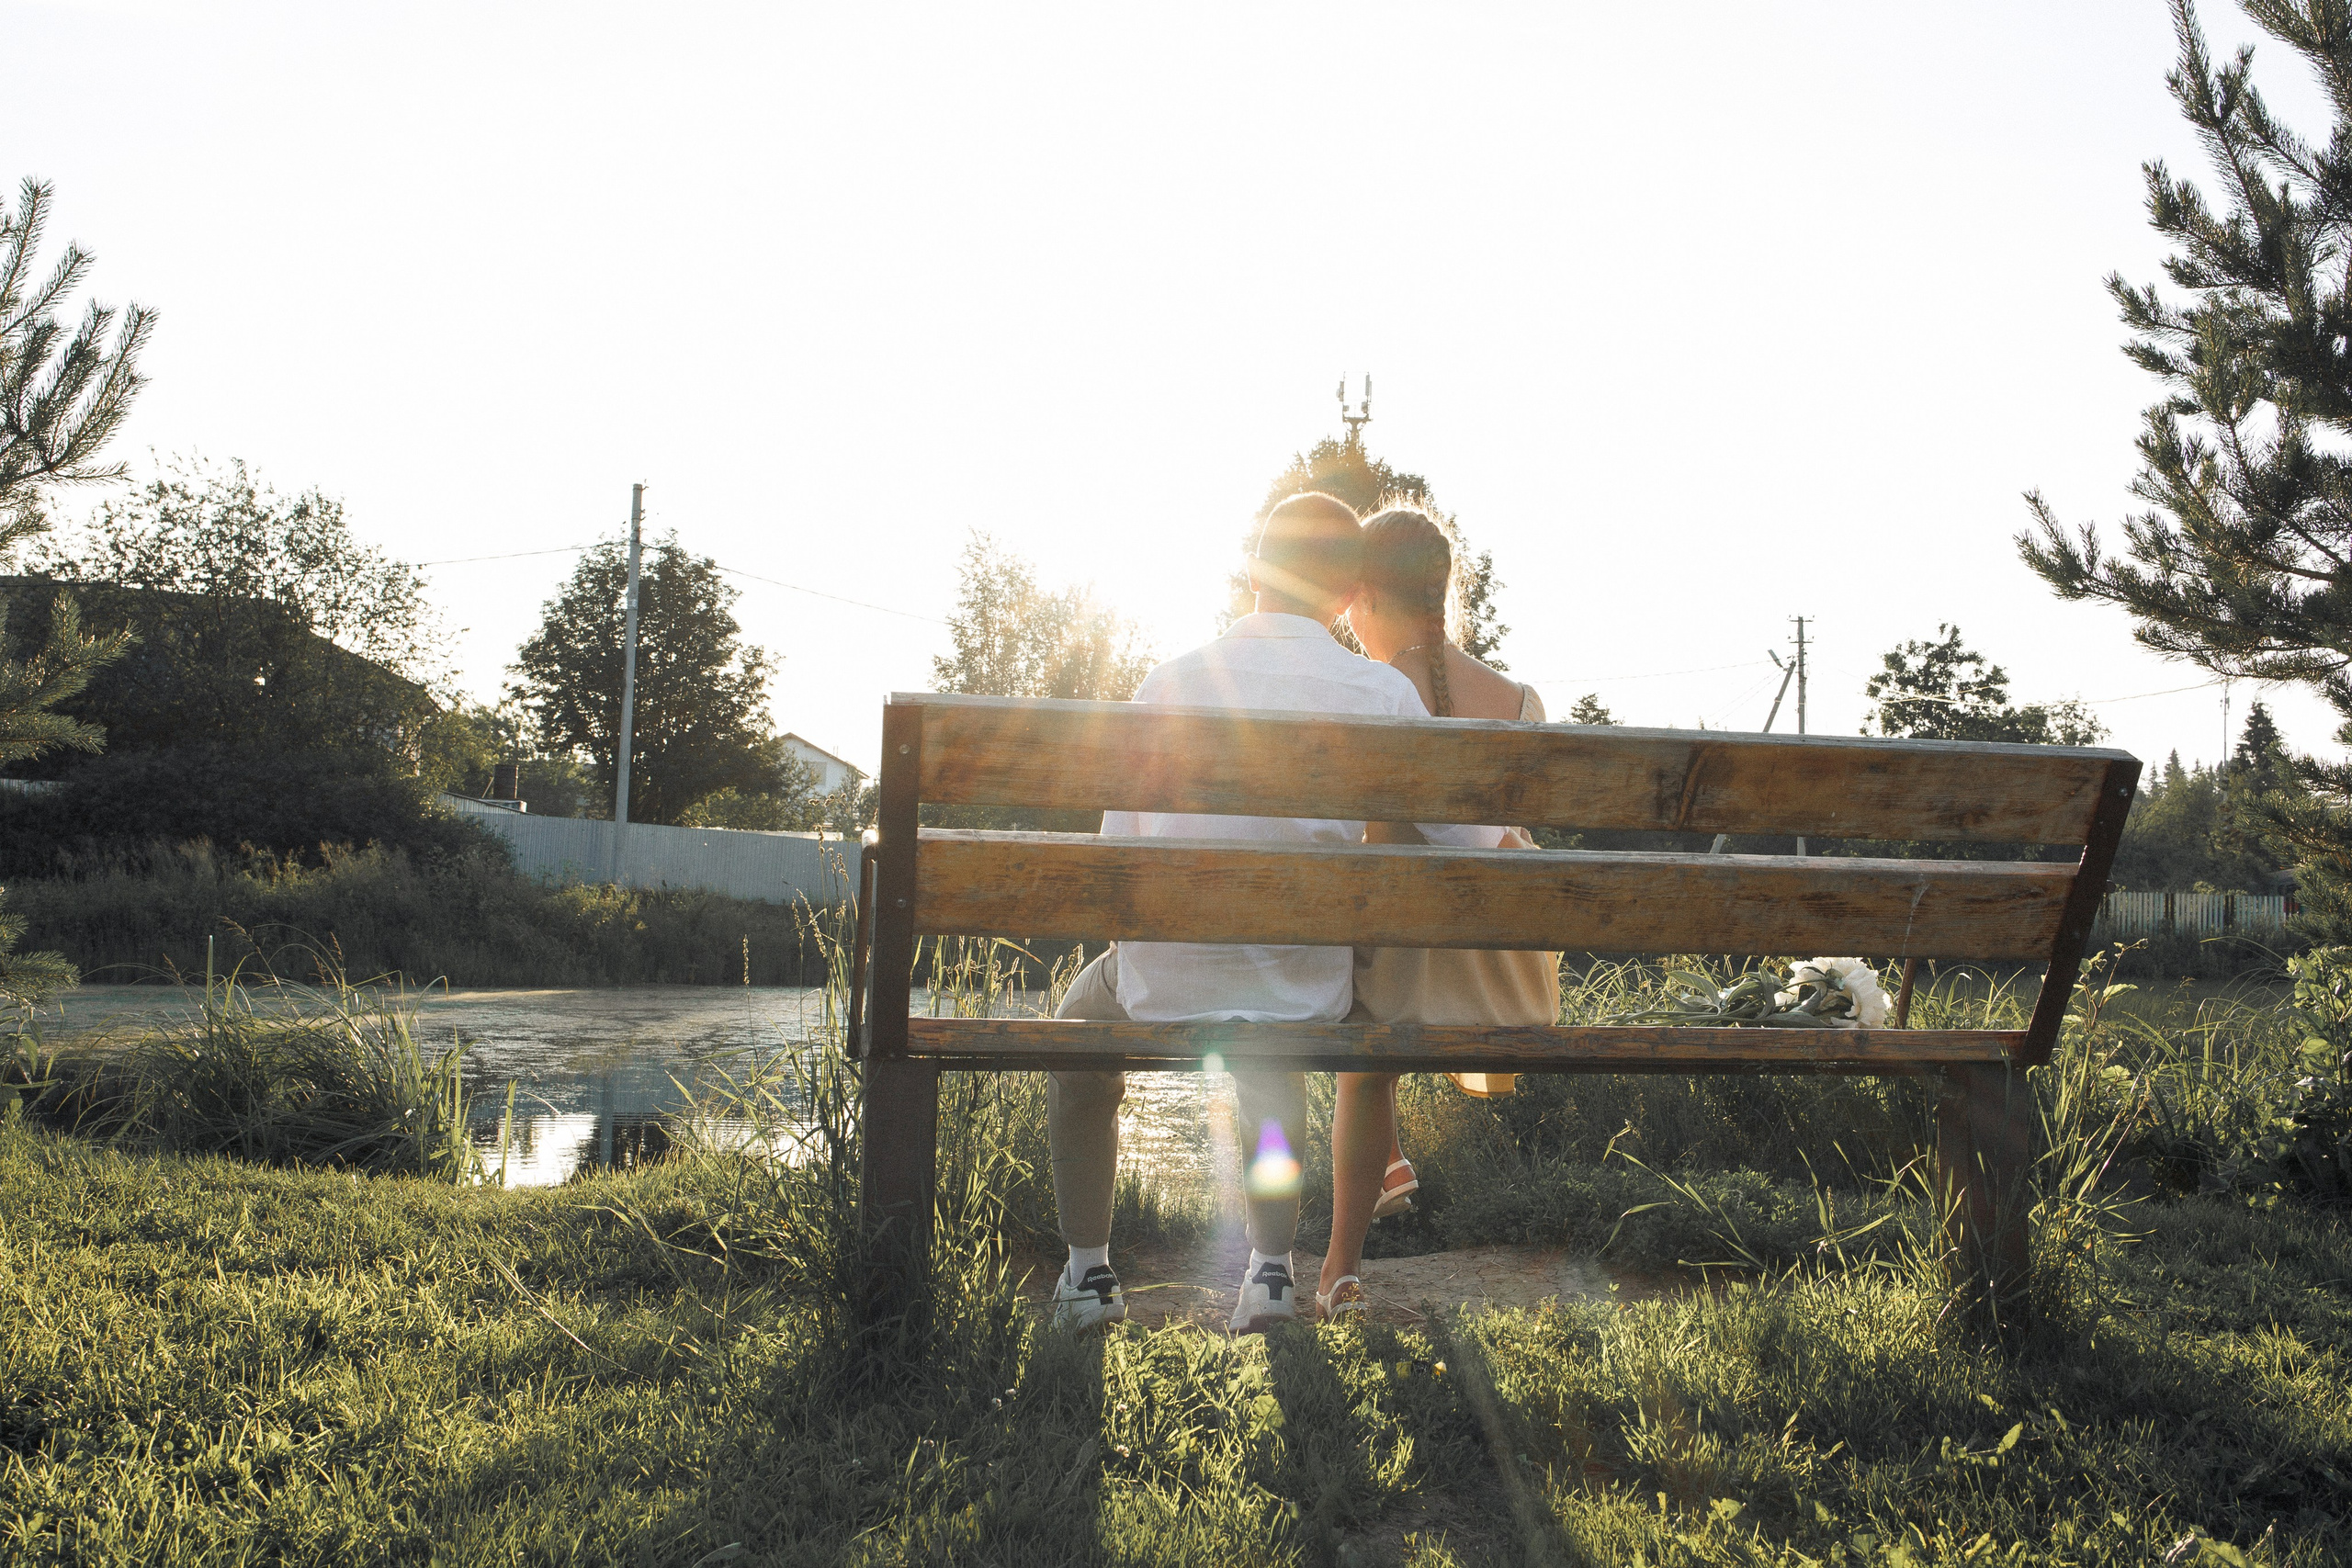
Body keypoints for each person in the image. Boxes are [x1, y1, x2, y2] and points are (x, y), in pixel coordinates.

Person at [1047, 491, 1503, 1335]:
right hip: (1301, 987)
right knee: (1271, 1030)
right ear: (1347, 594)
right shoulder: (1378, 694)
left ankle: (1087, 1276)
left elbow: (1116, 856)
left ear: (1254, 570)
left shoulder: (1168, 681)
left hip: (1162, 980)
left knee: (1077, 1030)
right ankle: (1269, 1273)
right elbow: (1473, 839)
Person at [1314, 506, 1560, 1322]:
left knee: (1359, 995)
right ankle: (1387, 1159)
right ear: (1444, 590)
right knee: (1394, 921)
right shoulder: (1520, 700)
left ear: (1365, 596)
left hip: (1401, 978)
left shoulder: (1375, 696)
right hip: (1504, 974)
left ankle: (1341, 1270)